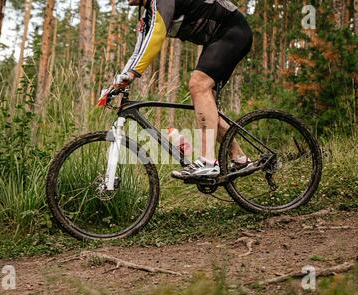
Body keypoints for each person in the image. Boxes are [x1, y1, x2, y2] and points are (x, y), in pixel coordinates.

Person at [107, 0, 253, 179]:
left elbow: (157, 36)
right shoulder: (146, 15)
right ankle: (240, 159)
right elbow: (138, 51)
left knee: (198, 85)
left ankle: (208, 162)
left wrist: (132, 74)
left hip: (232, 31)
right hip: (218, 38)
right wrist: (118, 82)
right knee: (206, 106)